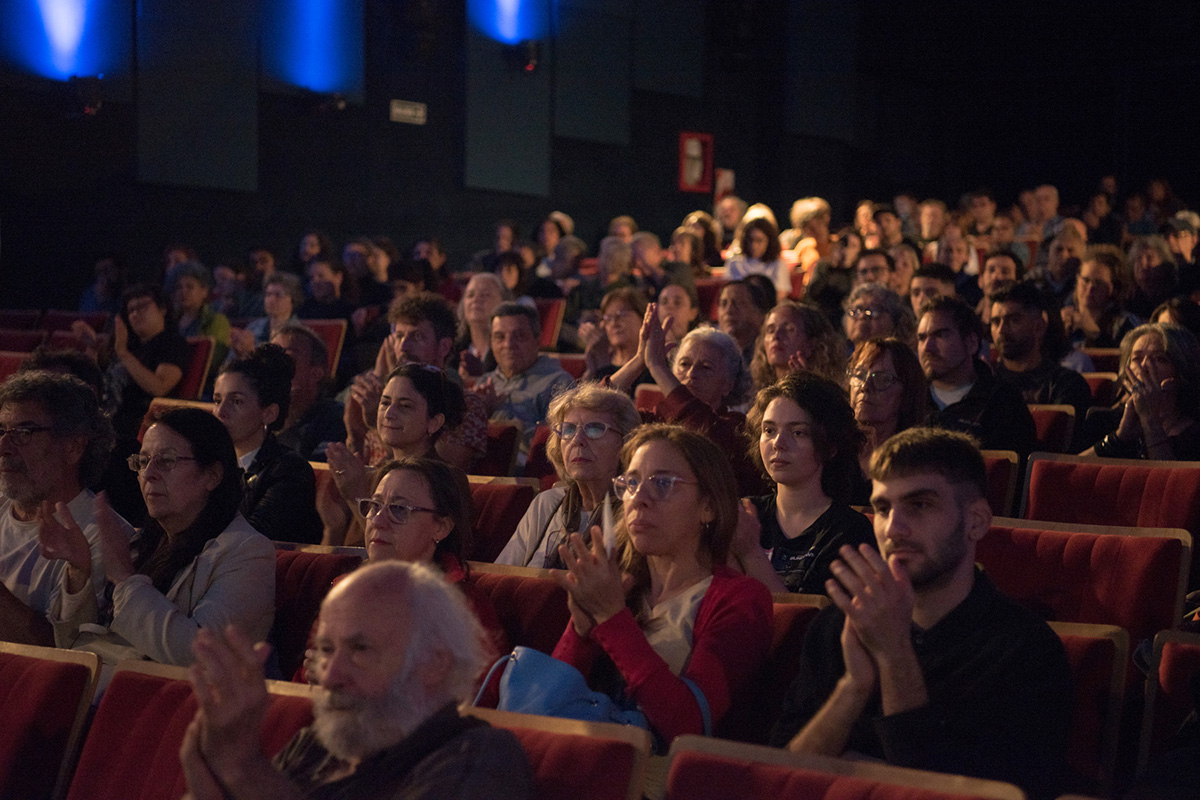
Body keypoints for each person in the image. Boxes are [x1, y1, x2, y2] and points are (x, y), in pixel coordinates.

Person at [770, 428, 1072, 800]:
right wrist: (853, 688)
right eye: (882, 509)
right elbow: (780, 780)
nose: (893, 529)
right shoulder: (838, 625)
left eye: (920, 505)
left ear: (976, 521)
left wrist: (895, 655)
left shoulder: (1026, 651)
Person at [180, 561, 532, 800]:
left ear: (434, 663)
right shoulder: (316, 746)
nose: (330, 676)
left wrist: (245, 774)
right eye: (326, 650)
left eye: (360, 649)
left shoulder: (477, 758)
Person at [551, 424, 772, 744]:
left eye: (663, 483)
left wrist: (611, 618)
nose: (638, 499)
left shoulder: (740, 598)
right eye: (631, 483)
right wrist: (581, 629)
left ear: (708, 506)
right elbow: (548, 710)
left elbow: (688, 725)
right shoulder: (619, 585)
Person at [43, 408, 274, 667]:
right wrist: (78, 573)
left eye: (166, 461)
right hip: (97, 688)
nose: (148, 474)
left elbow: (202, 656)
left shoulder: (247, 552)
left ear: (212, 475)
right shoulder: (140, 541)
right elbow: (70, 644)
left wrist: (125, 579)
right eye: (143, 462)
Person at [733, 372, 874, 595]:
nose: (778, 443)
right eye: (769, 430)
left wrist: (750, 554)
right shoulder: (746, 514)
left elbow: (808, 623)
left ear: (830, 446)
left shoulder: (849, 531)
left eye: (798, 432)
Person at [0, 372, 114, 646]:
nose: (3, 446)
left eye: (23, 433)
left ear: (73, 447)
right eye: (1, 431)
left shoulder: (103, 540)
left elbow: (66, 655)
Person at [610, 306, 763, 497]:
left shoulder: (736, 428)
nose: (691, 374)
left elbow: (700, 431)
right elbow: (596, 409)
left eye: (705, 367)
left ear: (728, 384)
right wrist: (639, 360)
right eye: (684, 364)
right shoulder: (652, 421)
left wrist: (657, 366)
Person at [497, 384, 639, 568]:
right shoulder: (547, 503)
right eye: (568, 430)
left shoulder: (636, 512)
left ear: (626, 443)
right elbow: (502, 575)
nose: (577, 440)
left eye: (595, 429)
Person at [324, 363, 466, 547]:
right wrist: (333, 523)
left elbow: (404, 553)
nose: (389, 414)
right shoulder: (376, 474)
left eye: (405, 406)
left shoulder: (447, 480)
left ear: (434, 422)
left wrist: (355, 496)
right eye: (385, 403)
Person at [214, 345, 321, 544]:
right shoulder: (210, 462)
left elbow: (252, 538)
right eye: (217, 400)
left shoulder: (289, 470)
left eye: (236, 401)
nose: (220, 412)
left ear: (269, 413)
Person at [918, 297, 1035, 456]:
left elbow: (1006, 474)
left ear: (971, 343)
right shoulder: (908, 396)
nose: (927, 348)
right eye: (922, 338)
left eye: (940, 335)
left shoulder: (1002, 401)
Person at [989, 283, 1092, 449]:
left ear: (1039, 326)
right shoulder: (985, 380)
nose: (1001, 330)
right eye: (995, 322)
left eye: (1013, 320)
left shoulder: (1067, 384)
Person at [473, 303, 574, 465]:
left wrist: (505, 420)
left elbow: (561, 444)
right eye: (499, 337)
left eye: (519, 336)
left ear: (537, 340)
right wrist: (479, 413)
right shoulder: (485, 382)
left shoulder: (558, 383)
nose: (508, 345)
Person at [1087, 323, 1200, 461]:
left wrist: (1150, 420)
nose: (1144, 366)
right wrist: (1119, 437)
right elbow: (1070, 473)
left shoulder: (1194, 434)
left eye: (1159, 359)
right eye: (1136, 358)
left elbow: (1168, 481)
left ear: (1181, 371)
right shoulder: (1103, 420)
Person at [847, 337, 928, 474]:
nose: (865, 386)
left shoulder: (916, 462)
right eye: (859, 375)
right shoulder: (832, 450)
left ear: (907, 393)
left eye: (882, 379)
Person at [271, 323, 346, 461]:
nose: (273, 366)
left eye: (287, 359)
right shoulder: (254, 415)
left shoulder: (333, 419)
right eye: (271, 357)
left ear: (315, 374)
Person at [749, 301, 846, 392]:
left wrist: (803, 387)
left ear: (811, 343)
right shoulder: (755, 390)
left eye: (789, 329)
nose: (776, 336)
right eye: (770, 330)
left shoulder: (830, 394)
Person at [1060, 247, 1139, 349]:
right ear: (1077, 279)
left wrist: (1096, 335)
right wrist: (1058, 333)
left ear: (1113, 288)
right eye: (1085, 280)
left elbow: (1127, 358)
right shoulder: (1064, 315)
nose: (1090, 288)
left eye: (1099, 283)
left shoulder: (1124, 324)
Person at [229, 272, 303, 361]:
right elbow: (230, 362)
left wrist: (251, 353)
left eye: (278, 295)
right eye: (268, 294)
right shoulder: (253, 327)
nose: (271, 300)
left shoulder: (299, 334)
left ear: (293, 300)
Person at [583, 287, 649, 384]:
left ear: (643, 318)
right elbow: (587, 398)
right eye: (608, 318)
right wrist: (592, 368)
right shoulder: (599, 357)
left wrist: (603, 365)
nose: (614, 323)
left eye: (622, 314)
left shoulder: (651, 364)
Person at [453, 273, 508, 379]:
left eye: (485, 295)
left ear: (503, 302)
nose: (476, 299)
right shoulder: (453, 352)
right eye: (470, 295)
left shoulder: (510, 350)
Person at [725, 217, 790, 299]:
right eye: (750, 240)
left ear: (769, 241)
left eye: (759, 240)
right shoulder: (734, 263)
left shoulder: (778, 265)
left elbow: (780, 296)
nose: (754, 246)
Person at [842, 283, 916, 351]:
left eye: (874, 310)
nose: (862, 316)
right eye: (856, 311)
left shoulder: (902, 362)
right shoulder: (840, 359)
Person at [717, 279, 773, 365]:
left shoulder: (770, 354)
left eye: (738, 303)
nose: (728, 310)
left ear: (760, 314)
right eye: (723, 304)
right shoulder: (712, 352)